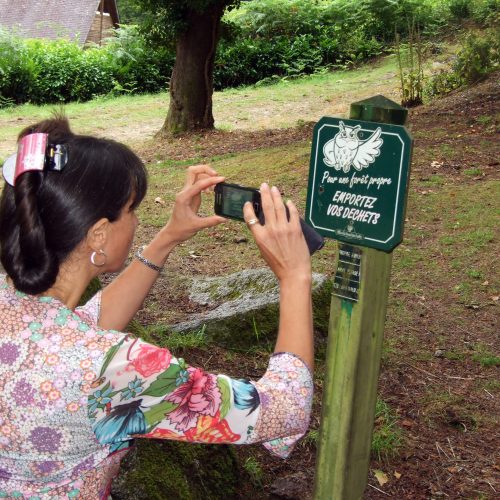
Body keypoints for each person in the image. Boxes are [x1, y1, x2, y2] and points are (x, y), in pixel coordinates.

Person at [0, 116, 314, 498]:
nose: (135, 221)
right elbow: (284, 407)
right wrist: (294, 277)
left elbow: (81, 331)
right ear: (99, 233)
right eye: (131, 210)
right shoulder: (123, 371)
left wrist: (167, 238)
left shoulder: (20, 312)